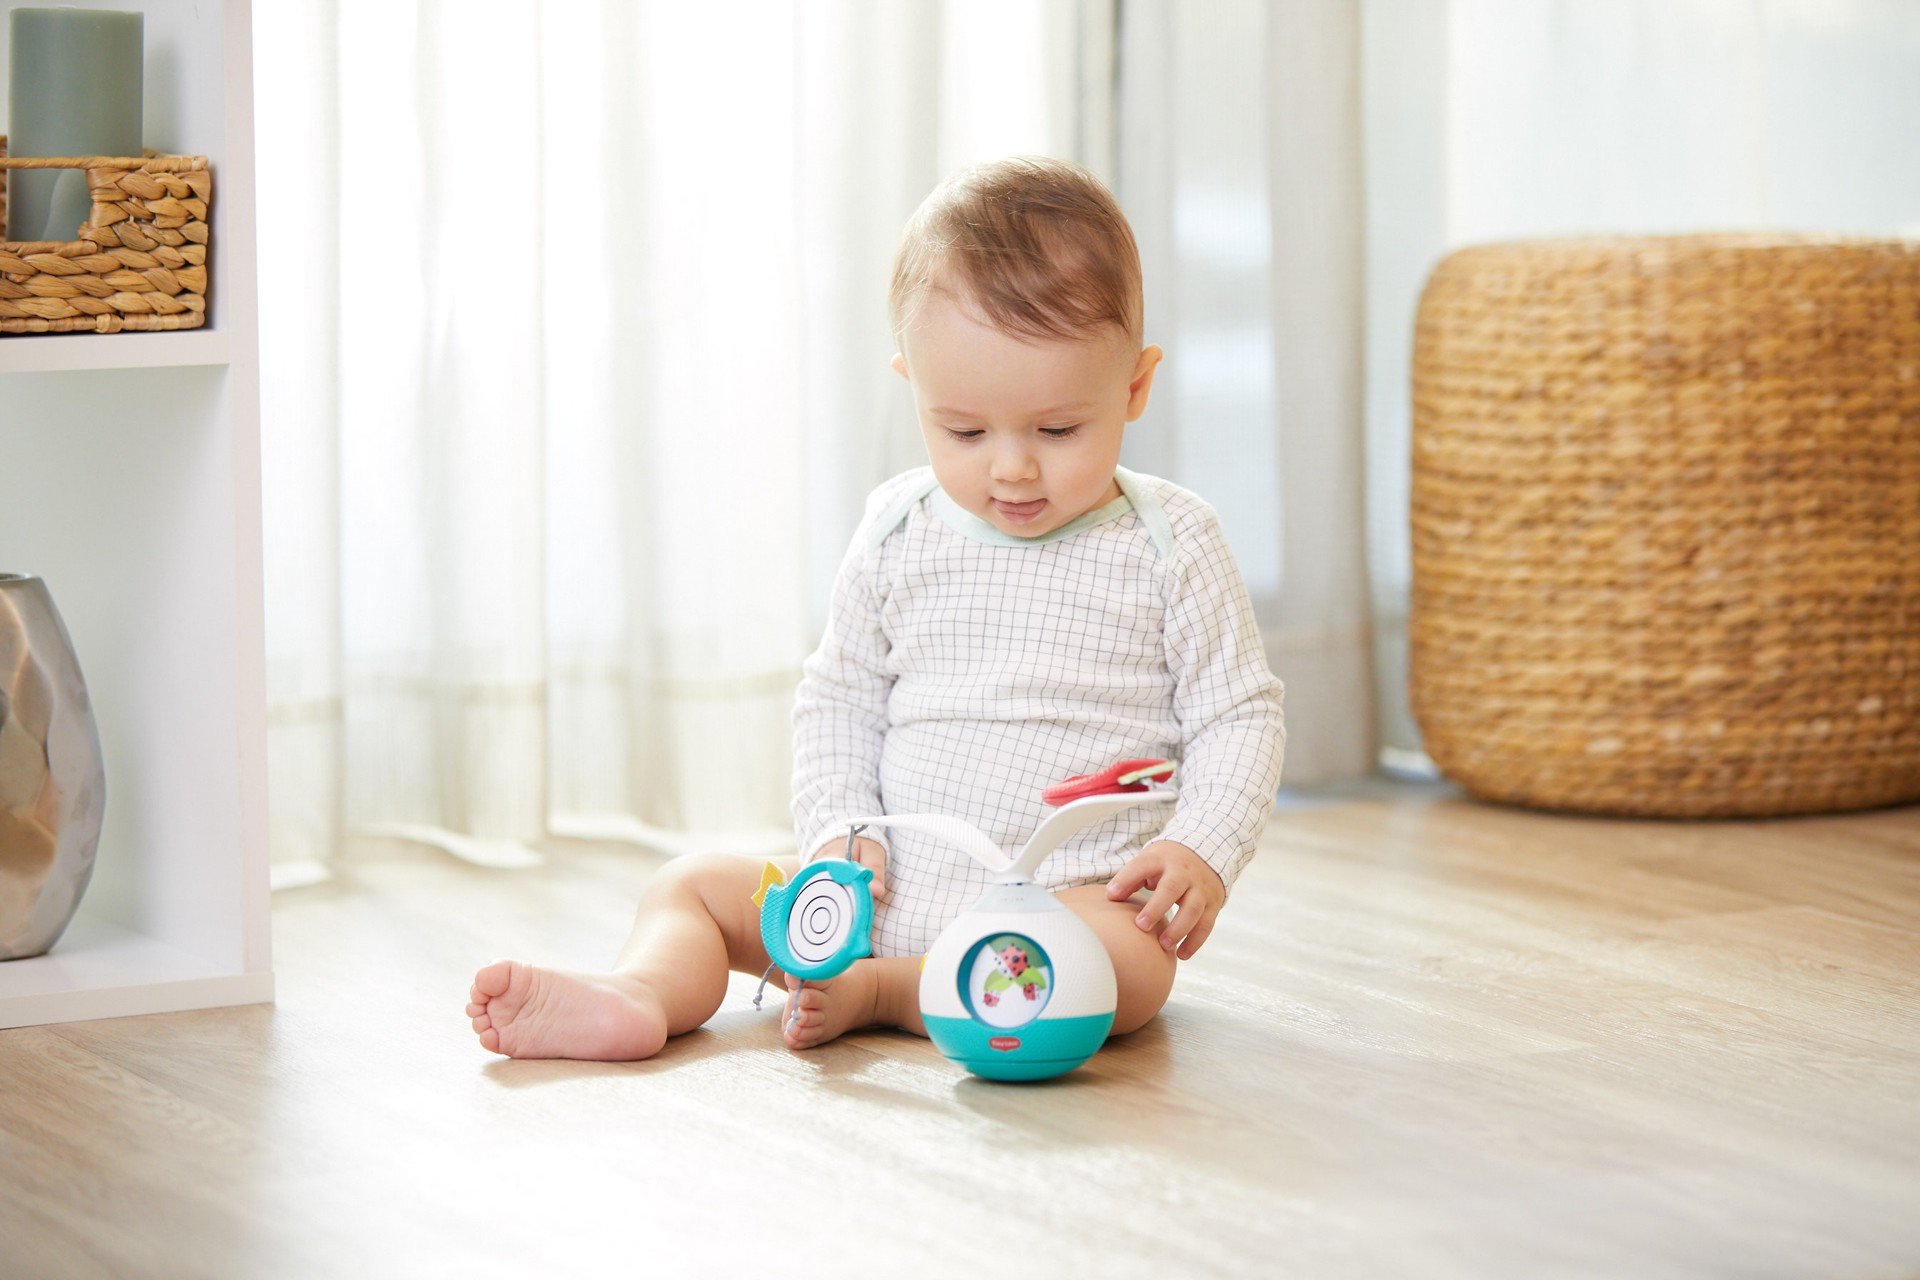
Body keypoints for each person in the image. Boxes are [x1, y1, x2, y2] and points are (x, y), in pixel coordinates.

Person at [467, 156, 1285, 1061]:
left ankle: (890, 993)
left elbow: (1238, 716)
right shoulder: (898, 529)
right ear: (914, 387)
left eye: (1058, 430)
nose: (1011, 467)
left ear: (1134, 386)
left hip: (1052, 908)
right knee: (695, 885)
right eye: (964, 430)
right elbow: (840, 701)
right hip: (879, 891)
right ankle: (643, 992)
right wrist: (841, 832)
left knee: (1129, 963)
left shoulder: (1172, 542)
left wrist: (1203, 849)